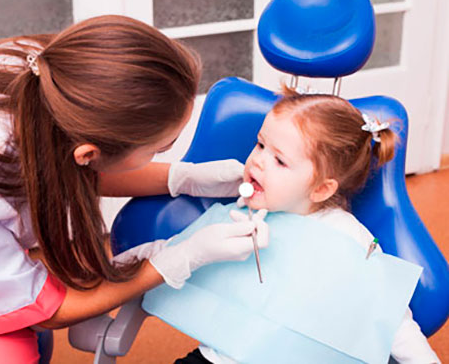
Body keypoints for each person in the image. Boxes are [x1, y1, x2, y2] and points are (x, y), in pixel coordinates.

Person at [0, 15, 259, 363]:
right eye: (160, 147)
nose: (167, 153)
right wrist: (172, 261)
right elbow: (43, 308)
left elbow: (82, 166)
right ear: (88, 152)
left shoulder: (52, 72)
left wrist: (184, 177)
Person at [161, 85, 439, 363]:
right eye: (259, 145)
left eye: (279, 160)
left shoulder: (345, 236)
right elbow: (174, 254)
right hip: (219, 356)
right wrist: (132, 264)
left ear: (320, 189)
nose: (258, 161)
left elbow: (391, 319)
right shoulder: (241, 212)